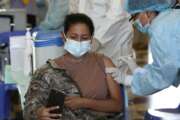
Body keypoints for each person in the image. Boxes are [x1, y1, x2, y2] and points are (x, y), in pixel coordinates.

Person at [24, 13, 123, 120]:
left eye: (84, 38)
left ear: (91, 39)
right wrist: (40, 113)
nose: (79, 42)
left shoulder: (104, 63)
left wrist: (85, 102)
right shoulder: (47, 71)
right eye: (73, 37)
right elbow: (29, 109)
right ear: (64, 37)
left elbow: (117, 105)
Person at [107, 0, 180, 96]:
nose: (135, 23)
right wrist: (138, 71)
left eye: (135, 17)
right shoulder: (172, 17)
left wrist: (128, 79)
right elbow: (173, 68)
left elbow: (164, 75)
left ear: (148, 13)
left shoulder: (161, 28)